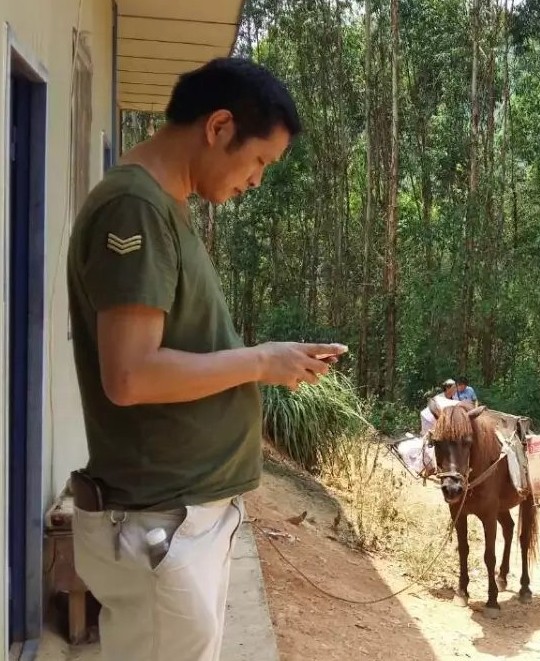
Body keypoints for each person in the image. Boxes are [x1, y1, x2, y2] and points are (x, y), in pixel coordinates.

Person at [66, 57, 346, 661]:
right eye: (259, 162)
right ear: (219, 127)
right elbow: (130, 374)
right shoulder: (134, 209)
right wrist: (259, 362)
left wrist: (276, 358)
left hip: (179, 522)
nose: (256, 180)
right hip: (160, 527)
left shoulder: (165, 205)